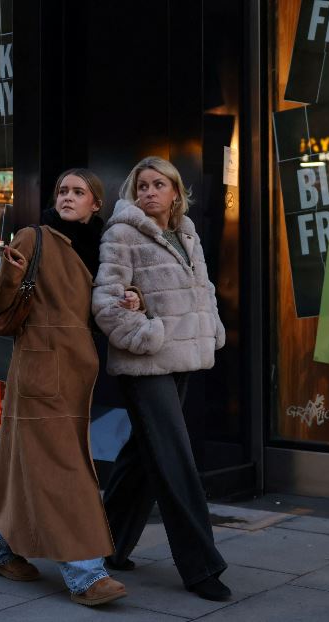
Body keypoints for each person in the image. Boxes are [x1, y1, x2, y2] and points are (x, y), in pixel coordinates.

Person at [0, 168, 135, 607]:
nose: (67, 197)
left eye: (78, 192)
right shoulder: (35, 237)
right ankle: (85, 573)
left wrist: (132, 297)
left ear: (96, 203)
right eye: (62, 191)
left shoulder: (106, 246)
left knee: (35, 466)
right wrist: (9, 277)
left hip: (79, 374)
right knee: (64, 471)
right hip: (40, 373)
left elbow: (108, 299)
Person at [92, 156, 231, 601]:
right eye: (142, 185)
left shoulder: (186, 233)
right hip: (144, 363)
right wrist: (146, 334)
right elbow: (107, 304)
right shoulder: (122, 233)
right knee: (175, 458)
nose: (149, 191)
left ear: (175, 192)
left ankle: (105, 546)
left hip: (183, 357)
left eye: (158, 184)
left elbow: (203, 290)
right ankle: (201, 566)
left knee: (142, 457)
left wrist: (210, 329)